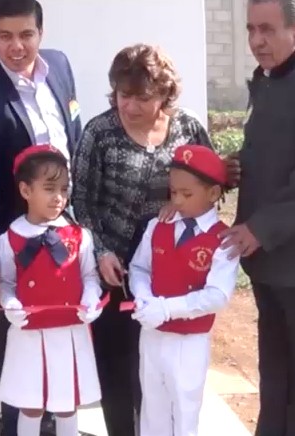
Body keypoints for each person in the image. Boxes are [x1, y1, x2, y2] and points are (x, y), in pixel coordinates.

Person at [70, 44, 212, 436]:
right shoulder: (99, 132)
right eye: (123, 94)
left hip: (173, 269)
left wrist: (179, 202)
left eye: (142, 97)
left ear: (164, 94)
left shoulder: (188, 128)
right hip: (114, 265)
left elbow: (210, 184)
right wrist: (100, 252)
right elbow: (79, 200)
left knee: (160, 366)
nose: (129, 106)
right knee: (116, 364)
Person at [0, 1, 82, 431]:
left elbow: (74, 139)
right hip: (22, 239)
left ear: (41, 33)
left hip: (69, 228)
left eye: (26, 35)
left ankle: (58, 422)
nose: (16, 46)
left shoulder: (61, 67)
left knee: (65, 340)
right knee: (23, 349)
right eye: (5, 36)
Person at [128, 145, 239, 436]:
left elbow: (218, 295)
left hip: (190, 340)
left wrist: (166, 308)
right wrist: (143, 297)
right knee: (153, 406)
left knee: (185, 409)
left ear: (213, 194)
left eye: (186, 194)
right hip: (152, 333)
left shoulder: (223, 240)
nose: (177, 200)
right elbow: (140, 268)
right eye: (173, 192)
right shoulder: (158, 225)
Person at [0, 145, 103, 436]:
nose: (59, 197)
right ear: (26, 190)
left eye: (64, 189)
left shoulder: (80, 236)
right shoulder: (10, 238)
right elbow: (6, 283)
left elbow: (89, 275)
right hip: (29, 333)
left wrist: (91, 297)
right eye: (49, 188)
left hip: (68, 332)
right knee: (31, 404)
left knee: (67, 403)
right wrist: (11, 304)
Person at [227, 1, 295, 434]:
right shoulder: (266, 81)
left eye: (267, 29)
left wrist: (261, 226)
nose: (256, 41)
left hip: (288, 257)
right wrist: (232, 166)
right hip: (268, 263)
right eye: (251, 29)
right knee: (275, 370)